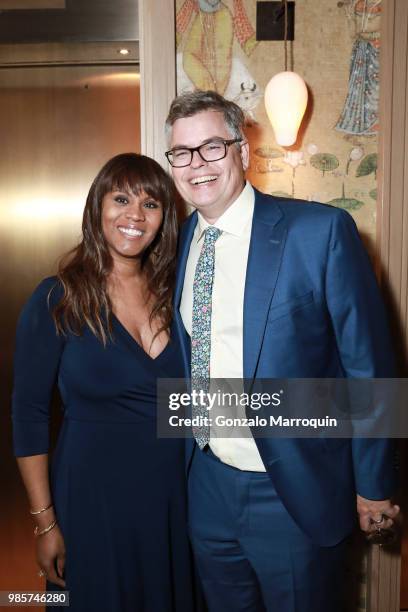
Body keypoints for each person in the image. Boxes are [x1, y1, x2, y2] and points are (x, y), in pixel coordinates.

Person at [164, 90, 400, 612]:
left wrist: (375, 486)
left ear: (243, 151)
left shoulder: (320, 232)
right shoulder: (180, 241)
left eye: (211, 148)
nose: (196, 165)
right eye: (181, 152)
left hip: (293, 490)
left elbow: (370, 369)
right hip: (206, 483)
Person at [12, 153, 201, 612]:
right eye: (121, 199)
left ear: (165, 219)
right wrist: (45, 523)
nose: (135, 215)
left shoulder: (179, 295)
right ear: (97, 207)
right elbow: (29, 415)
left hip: (174, 499)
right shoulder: (57, 297)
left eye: (151, 204)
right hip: (92, 500)